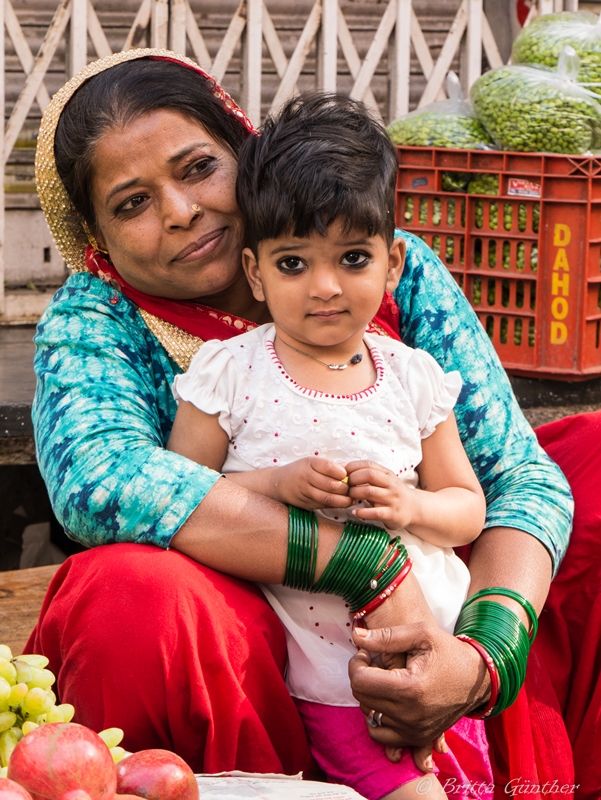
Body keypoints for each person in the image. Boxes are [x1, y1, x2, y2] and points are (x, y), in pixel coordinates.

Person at [26, 48, 574, 794]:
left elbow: (512, 472)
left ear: (245, 151)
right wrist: (365, 566)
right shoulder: (101, 315)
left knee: (593, 460)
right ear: (98, 241)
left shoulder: (390, 269)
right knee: (130, 594)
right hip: (247, 639)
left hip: (437, 603)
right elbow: (100, 479)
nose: (181, 211)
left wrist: (480, 659)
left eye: (196, 169)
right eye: (132, 203)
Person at [167, 93, 490, 799]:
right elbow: (179, 503)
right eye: (291, 264)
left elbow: (466, 509)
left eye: (350, 258)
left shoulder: (412, 377)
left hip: (438, 656)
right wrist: (275, 484)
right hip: (338, 686)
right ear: (253, 272)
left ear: (392, 262)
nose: (324, 288)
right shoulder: (230, 375)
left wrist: (407, 505)